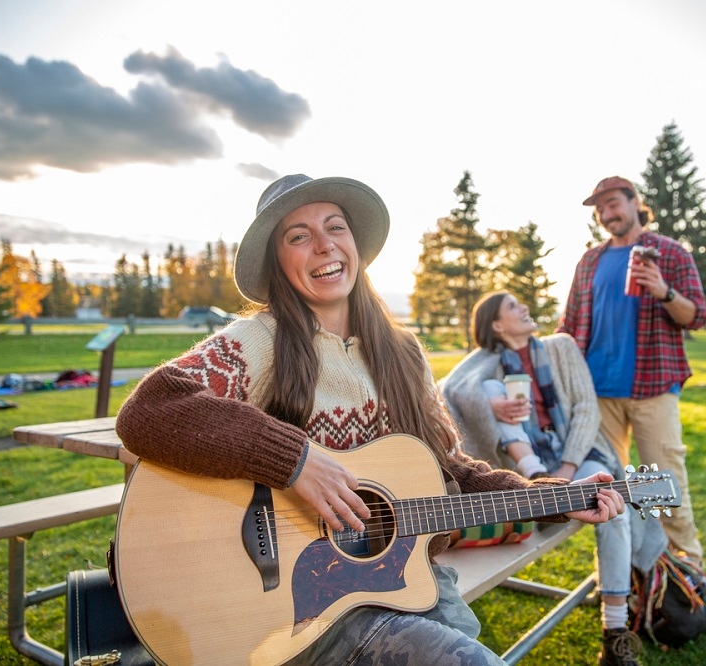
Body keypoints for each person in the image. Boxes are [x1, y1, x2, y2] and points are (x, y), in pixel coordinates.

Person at [115, 174, 626, 666]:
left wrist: (554, 499)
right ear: (277, 261)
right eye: (299, 236)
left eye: (335, 227)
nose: (324, 245)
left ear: (355, 243)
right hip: (296, 608)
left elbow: (449, 469)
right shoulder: (259, 340)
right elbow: (148, 410)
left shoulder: (404, 352)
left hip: (398, 579)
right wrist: (295, 461)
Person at [441, 291, 667, 666]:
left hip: (576, 455)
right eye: (513, 306)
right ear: (496, 324)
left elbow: (587, 408)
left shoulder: (561, 346)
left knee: (611, 504)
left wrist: (567, 468)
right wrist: (490, 404)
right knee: (490, 388)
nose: (524, 308)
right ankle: (537, 480)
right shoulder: (486, 363)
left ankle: (614, 630)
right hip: (527, 464)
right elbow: (446, 391)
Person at [557, 175, 706, 566]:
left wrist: (664, 291)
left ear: (634, 202)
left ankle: (689, 570)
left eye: (613, 204)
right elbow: (568, 325)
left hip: (653, 388)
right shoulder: (590, 261)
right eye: (600, 208)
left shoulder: (670, 253)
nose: (607, 214)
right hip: (597, 394)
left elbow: (696, 316)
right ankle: (623, 575)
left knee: (665, 484)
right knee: (612, 490)